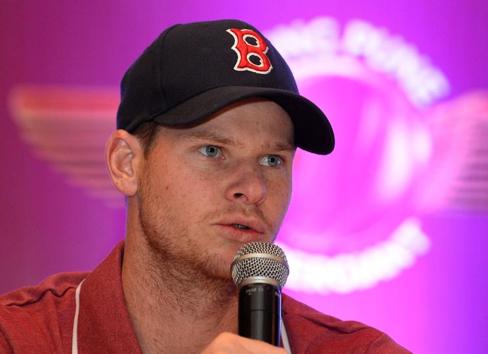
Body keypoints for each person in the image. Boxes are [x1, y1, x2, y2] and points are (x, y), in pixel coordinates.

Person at [0, 19, 409, 353]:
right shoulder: (19, 338)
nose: (253, 188)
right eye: (213, 151)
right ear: (127, 164)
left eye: (272, 160)